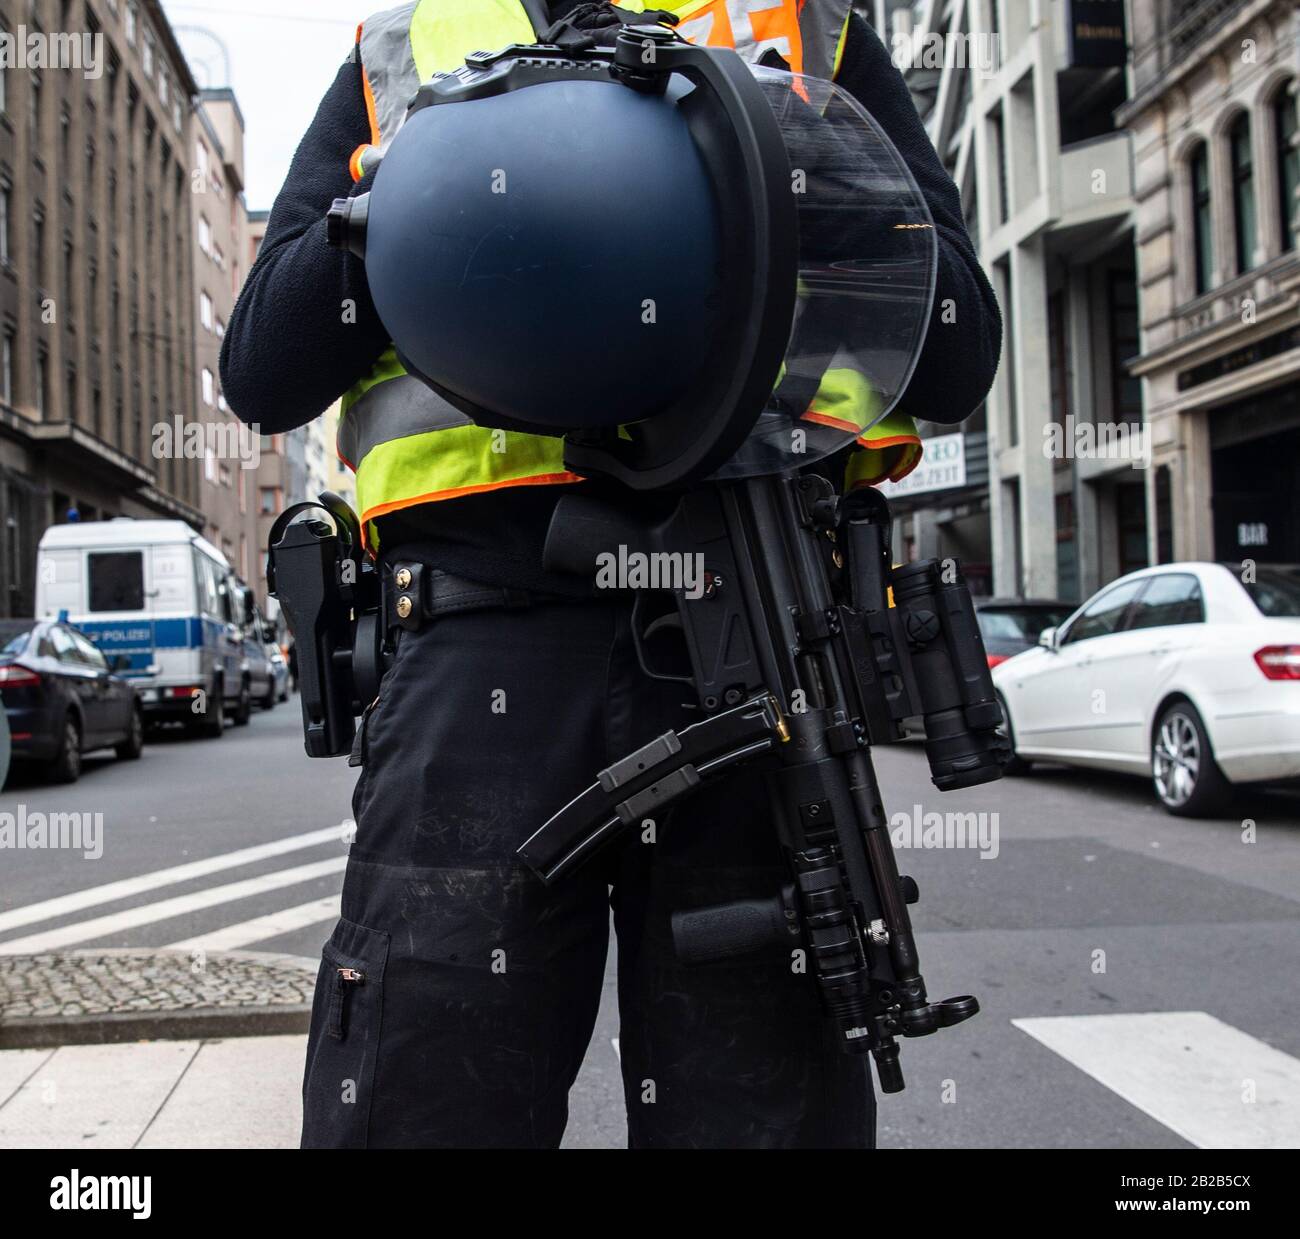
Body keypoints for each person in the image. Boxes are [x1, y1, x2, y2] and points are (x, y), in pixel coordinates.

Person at [222, 1, 1001, 1150]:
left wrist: (774, 173)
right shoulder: (407, 48)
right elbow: (264, 369)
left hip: (751, 627)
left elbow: (953, 348)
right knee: (426, 1102)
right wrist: (430, 190)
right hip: (483, 642)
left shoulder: (803, 26)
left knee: (757, 1112)